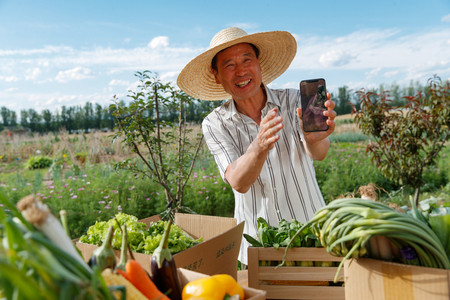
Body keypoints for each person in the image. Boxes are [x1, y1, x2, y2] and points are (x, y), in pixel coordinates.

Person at [177, 27, 336, 265]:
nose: (240, 71)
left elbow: (319, 154)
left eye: (246, 60)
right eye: (229, 65)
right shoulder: (215, 123)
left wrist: (315, 139)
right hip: (258, 248)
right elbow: (238, 182)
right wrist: (259, 145)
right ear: (216, 75)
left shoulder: (293, 100)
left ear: (258, 63)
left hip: (312, 235)